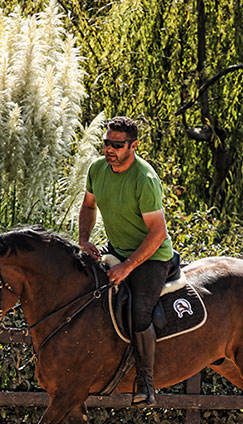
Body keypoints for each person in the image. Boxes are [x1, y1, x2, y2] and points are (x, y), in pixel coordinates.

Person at [78, 116, 175, 406]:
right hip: (116, 249)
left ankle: (146, 380)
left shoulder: (144, 179)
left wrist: (127, 266)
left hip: (151, 256)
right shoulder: (97, 169)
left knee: (139, 313)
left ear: (133, 146)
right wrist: (84, 239)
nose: (109, 149)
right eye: (106, 143)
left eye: (117, 145)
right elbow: (87, 205)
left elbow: (158, 233)